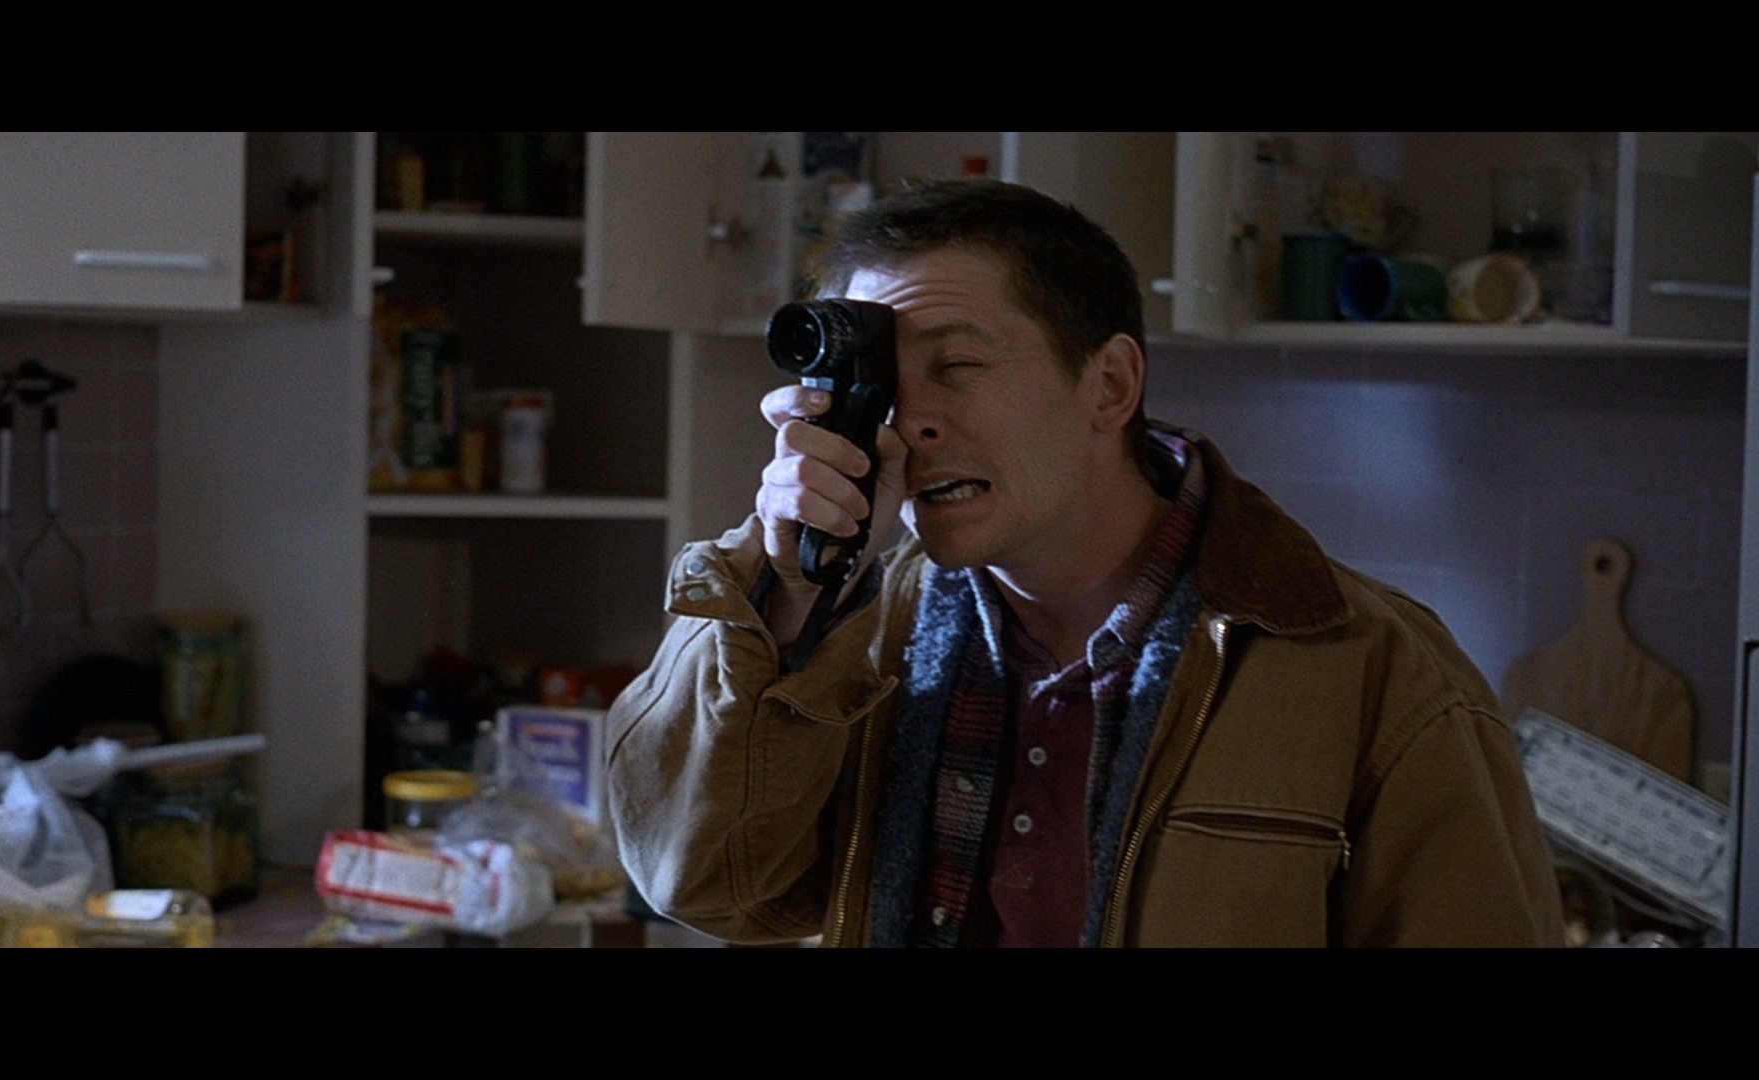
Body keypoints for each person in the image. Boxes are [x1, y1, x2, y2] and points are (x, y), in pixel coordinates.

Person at [606, 179, 1565, 947]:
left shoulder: (1372, 669)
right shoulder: (854, 634)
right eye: (882, 380)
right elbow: (702, 885)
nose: (910, 419)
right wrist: (789, 600)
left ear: (1109, 384)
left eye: (957, 365)